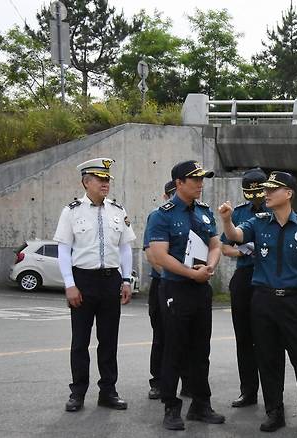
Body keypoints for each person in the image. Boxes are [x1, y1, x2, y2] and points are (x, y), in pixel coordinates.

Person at [219, 171, 297, 434]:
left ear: (288, 193)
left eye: (272, 189)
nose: (266, 194)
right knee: (268, 359)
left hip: (290, 301)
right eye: (265, 189)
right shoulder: (258, 222)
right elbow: (235, 236)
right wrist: (226, 219)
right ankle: (274, 412)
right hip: (262, 300)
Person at [147, 160, 225, 430]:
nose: (200, 184)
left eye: (202, 179)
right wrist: (192, 274)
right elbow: (159, 255)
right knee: (174, 348)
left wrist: (211, 266)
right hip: (176, 289)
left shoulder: (204, 212)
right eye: (194, 179)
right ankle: (171, 406)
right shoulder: (162, 215)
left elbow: (216, 245)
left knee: (201, 349)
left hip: (201, 289)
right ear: (179, 183)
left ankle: (201, 404)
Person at [53, 157, 136, 413]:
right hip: (83, 281)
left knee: (109, 341)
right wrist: (69, 284)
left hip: (111, 280)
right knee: (80, 341)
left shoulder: (117, 210)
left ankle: (108, 392)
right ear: (85, 182)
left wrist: (126, 279)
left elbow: (125, 247)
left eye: (107, 180)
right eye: (100, 179)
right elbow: (64, 250)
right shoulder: (72, 211)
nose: (105, 184)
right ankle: (77, 392)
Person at [220, 168, 268, 408]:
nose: (255, 198)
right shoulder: (238, 213)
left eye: (259, 192)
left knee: (269, 339)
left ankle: (272, 394)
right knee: (244, 338)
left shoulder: (275, 210)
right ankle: (248, 391)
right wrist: (244, 250)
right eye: (250, 193)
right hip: (245, 274)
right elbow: (224, 247)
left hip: (268, 277)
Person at [143, 180, 190, 400]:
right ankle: (158, 381)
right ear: (165, 196)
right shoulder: (158, 216)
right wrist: (171, 275)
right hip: (164, 283)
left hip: (188, 284)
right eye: (170, 194)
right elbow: (152, 255)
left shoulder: (195, 213)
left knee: (188, 337)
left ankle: (188, 382)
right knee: (162, 334)